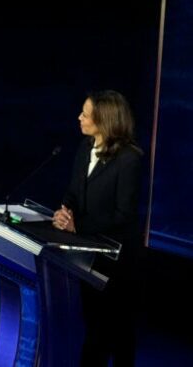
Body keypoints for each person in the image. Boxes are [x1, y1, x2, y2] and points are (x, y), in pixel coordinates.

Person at [52, 90, 143, 366]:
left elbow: (123, 214)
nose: (79, 117)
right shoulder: (84, 148)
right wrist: (64, 211)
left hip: (118, 262)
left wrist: (77, 225)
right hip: (88, 256)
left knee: (117, 335)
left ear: (104, 120)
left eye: (85, 114)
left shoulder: (129, 159)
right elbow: (73, 192)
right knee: (95, 328)